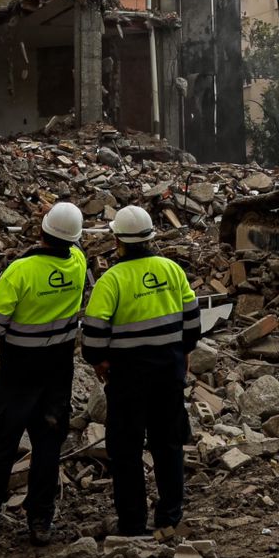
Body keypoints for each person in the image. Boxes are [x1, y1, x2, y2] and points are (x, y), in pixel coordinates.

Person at [0, 200, 88, 548]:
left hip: (19, 372)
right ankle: (40, 521)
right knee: (47, 446)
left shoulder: (20, 271)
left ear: (41, 230)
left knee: (0, 444)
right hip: (58, 371)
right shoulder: (78, 263)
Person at [81, 206, 200, 536]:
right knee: (168, 445)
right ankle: (170, 516)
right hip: (168, 375)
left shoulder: (111, 281)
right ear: (150, 237)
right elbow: (191, 322)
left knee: (126, 451)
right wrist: (183, 352)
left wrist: (99, 360)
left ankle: (132, 523)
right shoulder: (172, 270)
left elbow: (92, 336)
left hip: (128, 380)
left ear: (117, 240)